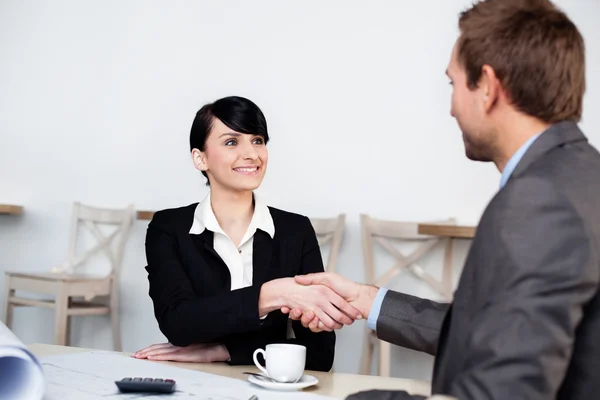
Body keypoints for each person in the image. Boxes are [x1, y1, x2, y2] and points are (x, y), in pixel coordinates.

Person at [285, 0, 600, 398]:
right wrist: (369, 300)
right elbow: (502, 333)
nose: (451, 108)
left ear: (486, 86)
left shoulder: (540, 201)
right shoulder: (579, 176)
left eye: (453, 83)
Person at [133, 96, 361, 371]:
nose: (252, 154)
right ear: (200, 158)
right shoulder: (169, 228)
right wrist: (272, 294)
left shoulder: (295, 230)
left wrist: (224, 350)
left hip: (265, 383)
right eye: (231, 142)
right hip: (193, 380)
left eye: (258, 140)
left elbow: (319, 353)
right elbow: (179, 325)